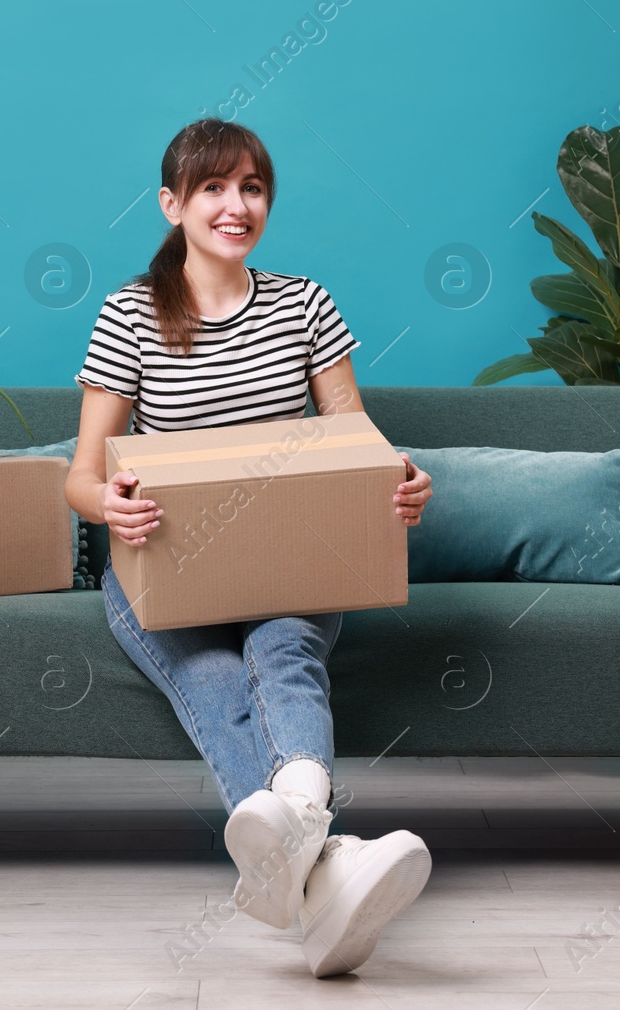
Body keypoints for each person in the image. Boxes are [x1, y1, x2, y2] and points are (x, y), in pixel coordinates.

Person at [65, 118, 435, 978]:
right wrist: (109, 507)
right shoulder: (128, 314)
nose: (238, 207)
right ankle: (329, 864)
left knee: (285, 643)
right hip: (162, 565)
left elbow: (353, 434)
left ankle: (298, 822)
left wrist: (401, 474)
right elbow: (81, 475)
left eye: (253, 188)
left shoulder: (304, 302)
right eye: (215, 189)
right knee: (212, 674)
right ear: (174, 205)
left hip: (289, 557)